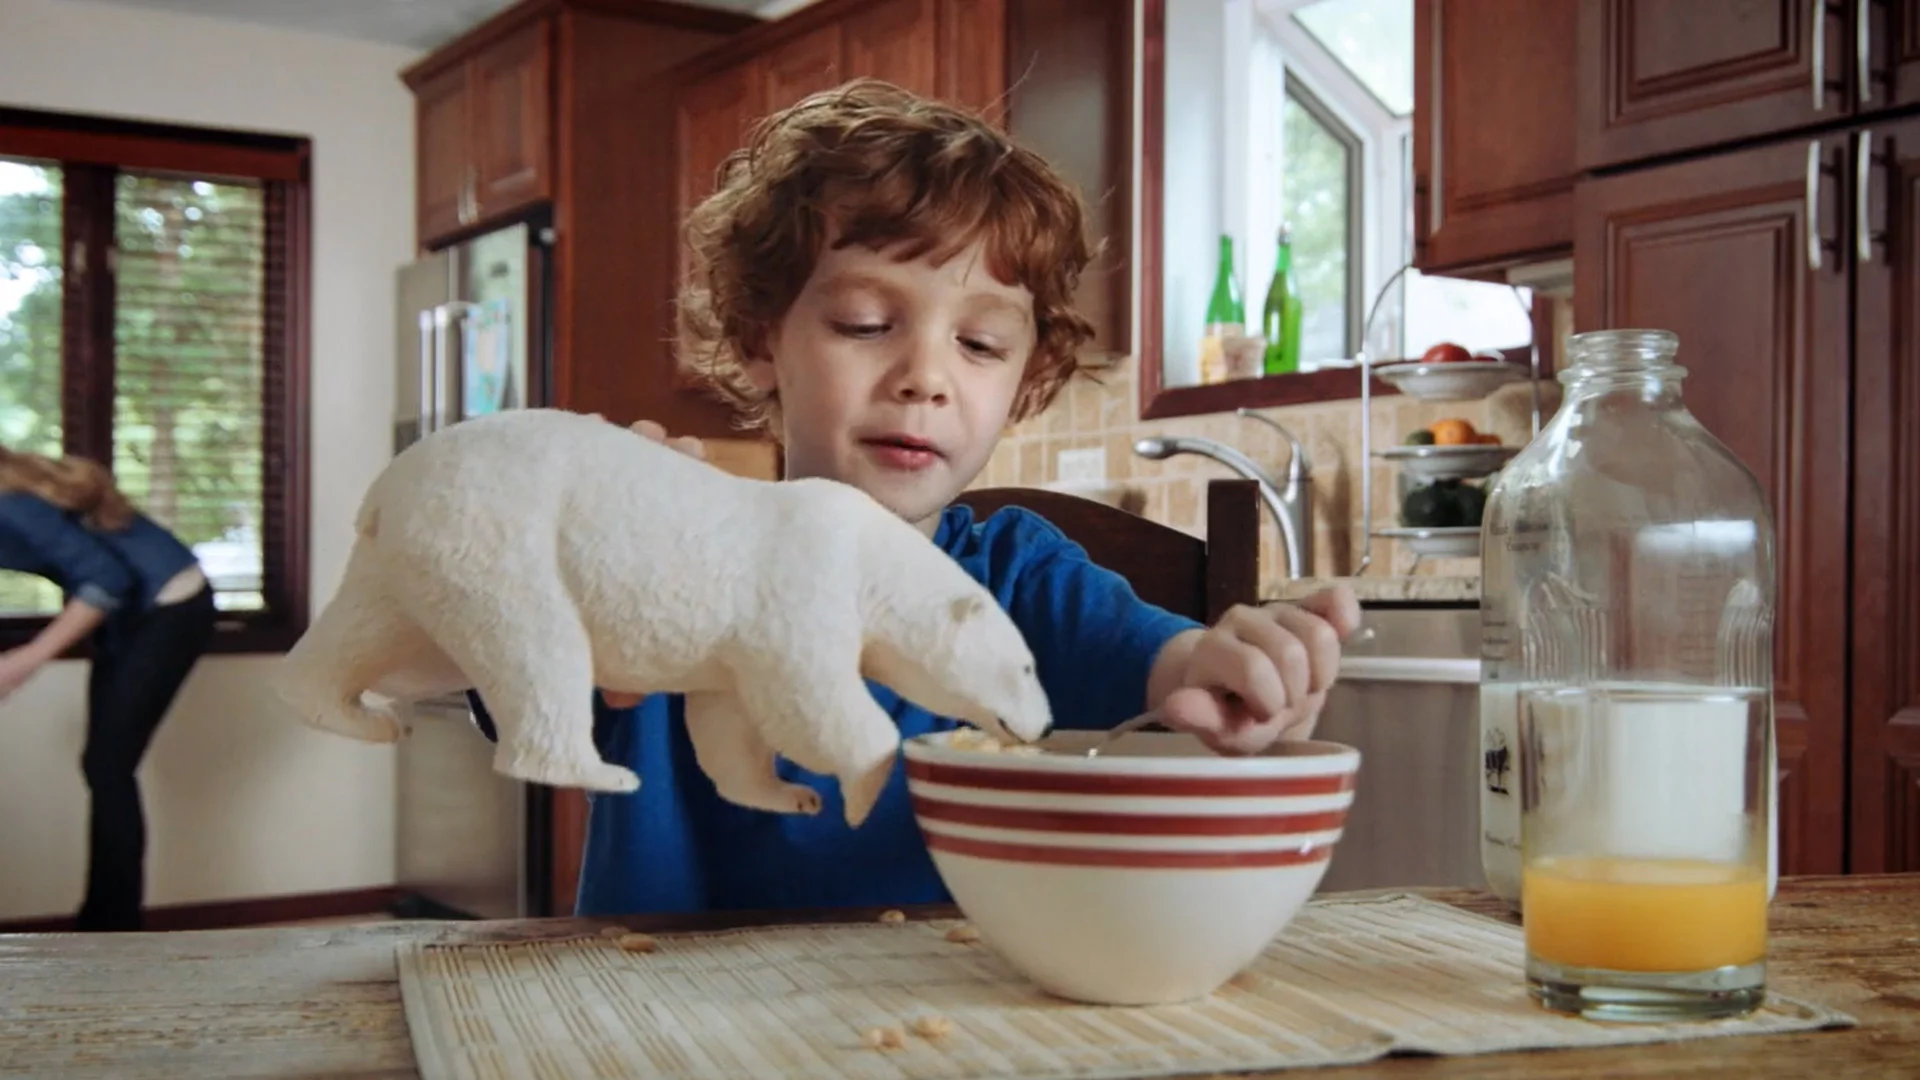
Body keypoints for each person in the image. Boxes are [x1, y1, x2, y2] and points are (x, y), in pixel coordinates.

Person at [470, 78, 1361, 915]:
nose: (925, 378)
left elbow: (1180, 669)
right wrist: (581, 561)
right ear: (758, 337)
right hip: (656, 1027)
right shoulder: (673, 559)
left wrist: (1244, 676)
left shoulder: (1023, 579)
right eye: (865, 324)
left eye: (979, 345)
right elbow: (491, 667)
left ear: (1024, 380)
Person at [0, 446, 217, 931]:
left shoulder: (9, 503)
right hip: (132, 615)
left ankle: (111, 927)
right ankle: (105, 921)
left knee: (107, 765)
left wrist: (26, 660)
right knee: (103, 765)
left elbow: (106, 578)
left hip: (172, 604)